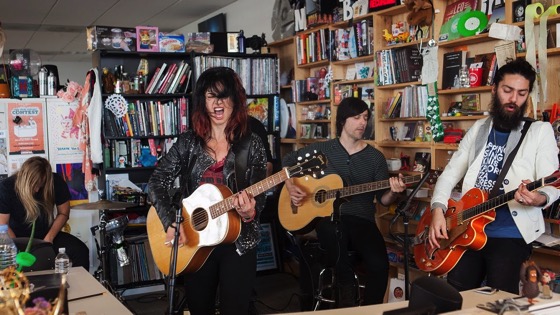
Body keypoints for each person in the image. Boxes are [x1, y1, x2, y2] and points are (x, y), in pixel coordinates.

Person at [428, 58, 560, 294]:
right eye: (507, 90)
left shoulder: (540, 131)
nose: (513, 99)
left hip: (510, 232)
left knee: (499, 298)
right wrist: (437, 210)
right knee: (456, 294)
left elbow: (552, 185)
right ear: (494, 89)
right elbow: (449, 174)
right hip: (467, 229)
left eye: (521, 93)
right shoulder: (479, 128)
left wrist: (537, 198)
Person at [148, 66, 267, 315]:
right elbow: (156, 181)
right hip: (196, 241)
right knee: (199, 308)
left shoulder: (251, 143)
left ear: (235, 99)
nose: (217, 103)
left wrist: (248, 212)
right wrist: (170, 221)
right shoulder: (188, 142)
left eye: (223, 95)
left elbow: (260, 197)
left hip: (238, 241)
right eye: (210, 96)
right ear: (202, 101)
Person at [282, 97, 407, 307]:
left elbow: (383, 200)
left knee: (379, 265)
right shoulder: (323, 151)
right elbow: (288, 161)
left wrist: (394, 192)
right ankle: (346, 294)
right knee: (332, 231)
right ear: (342, 121)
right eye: (356, 117)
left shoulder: (375, 158)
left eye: (365, 118)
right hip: (328, 219)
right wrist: (290, 185)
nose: (362, 123)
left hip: (362, 220)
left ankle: (370, 312)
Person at [0, 156, 90, 269]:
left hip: (47, 234)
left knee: (80, 251)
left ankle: (78, 286)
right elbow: (3, 224)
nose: (37, 190)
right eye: (34, 185)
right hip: (18, 237)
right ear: (24, 179)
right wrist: (17, 248)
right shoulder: (7, 187)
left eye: (40, 185)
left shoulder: (55, 181)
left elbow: (64, 213)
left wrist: (48, 239)